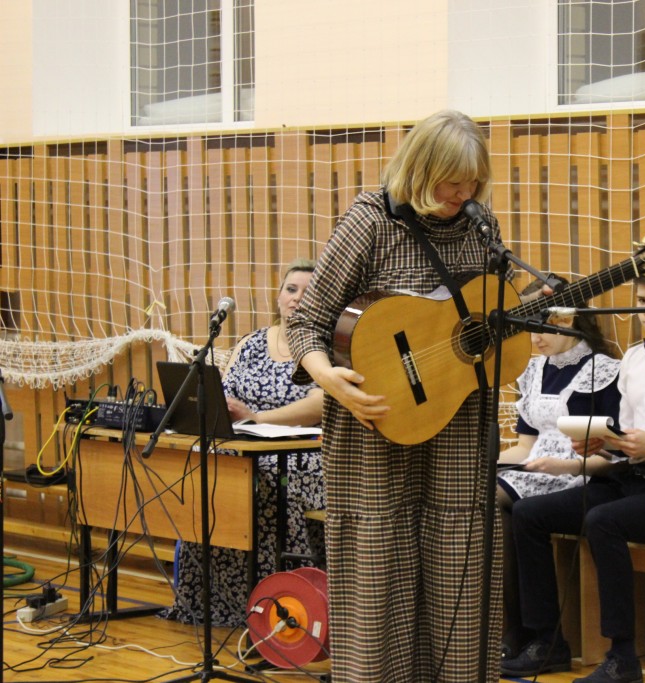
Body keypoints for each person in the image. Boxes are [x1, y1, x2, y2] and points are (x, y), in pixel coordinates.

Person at [286, 110, 505, 682]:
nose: (464, 194)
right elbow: (306, 323)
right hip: (375, 426)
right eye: (452, 182)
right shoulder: (370, 223)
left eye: (473, 182)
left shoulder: (481, 226)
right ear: (420, 169)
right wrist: (330, 379)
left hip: (458, 422)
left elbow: (489, 318)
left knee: (460, 563)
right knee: (379, 570)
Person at [501, 259, 645, 683]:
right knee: (528, 513)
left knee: (602, 520)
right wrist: (602, 442)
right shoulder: (632, 358)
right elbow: (625, 434)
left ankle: (623, 656)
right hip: (628, 479)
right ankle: (546, 642)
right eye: (641, 301)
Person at [161, 258, 326, 627]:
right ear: (278, 296)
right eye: (291, 289)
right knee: (208, 475)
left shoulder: (324, 347)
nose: (297, 298)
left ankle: (273, 607)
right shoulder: (252, 342)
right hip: (245, 445)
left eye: (308, 292)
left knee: (261, 483)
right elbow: (224, 390)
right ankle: (210, 603)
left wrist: (257, 417)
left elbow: (321, 403)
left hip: (301, 457)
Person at [497, 279, 621, 660]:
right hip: (536, 469)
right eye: (529, 327)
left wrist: (560, 465)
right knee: (482, 495)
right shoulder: (534, 370)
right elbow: (525, 446)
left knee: (493, 501)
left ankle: (522, 632)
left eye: (542, 326)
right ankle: (513, 629)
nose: (535, 338)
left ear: (568, 320)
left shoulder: (603, 371)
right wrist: (481, 464)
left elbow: (612, 456)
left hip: (579, 474)